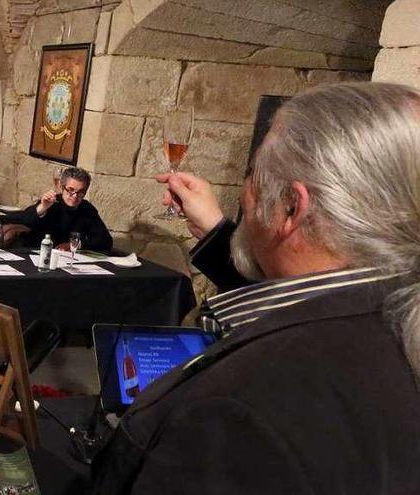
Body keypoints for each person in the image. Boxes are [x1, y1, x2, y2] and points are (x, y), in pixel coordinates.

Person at [92, 82, 420, 494]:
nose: (244, 194)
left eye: (251, 174)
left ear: (290, 206)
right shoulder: (393, 322)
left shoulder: (236, 409)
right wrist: (217, 233)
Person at [6, 167, 112, 253]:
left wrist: (73, 245)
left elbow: (105, 241)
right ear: (62, 187)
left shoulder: (87, 208)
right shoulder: (52, 202)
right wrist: (42, 207)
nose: (75, 196)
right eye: (71, 190)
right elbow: (25, 220)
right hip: (37, 254)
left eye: (80, 192)